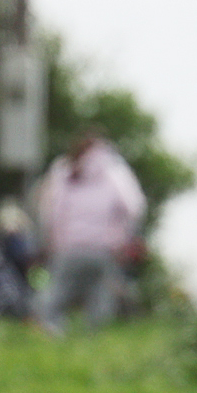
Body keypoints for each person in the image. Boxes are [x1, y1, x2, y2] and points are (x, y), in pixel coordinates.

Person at [35, 126, 145, 334]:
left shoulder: (64, 170)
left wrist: (50, 242)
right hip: (104, 249)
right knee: (100, 296)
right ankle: (93, 339)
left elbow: (50, 211)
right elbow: (133, 207)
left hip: (69, 247)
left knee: (57, 293)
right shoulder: (115, 171)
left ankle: (52, 335)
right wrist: (124, 237)